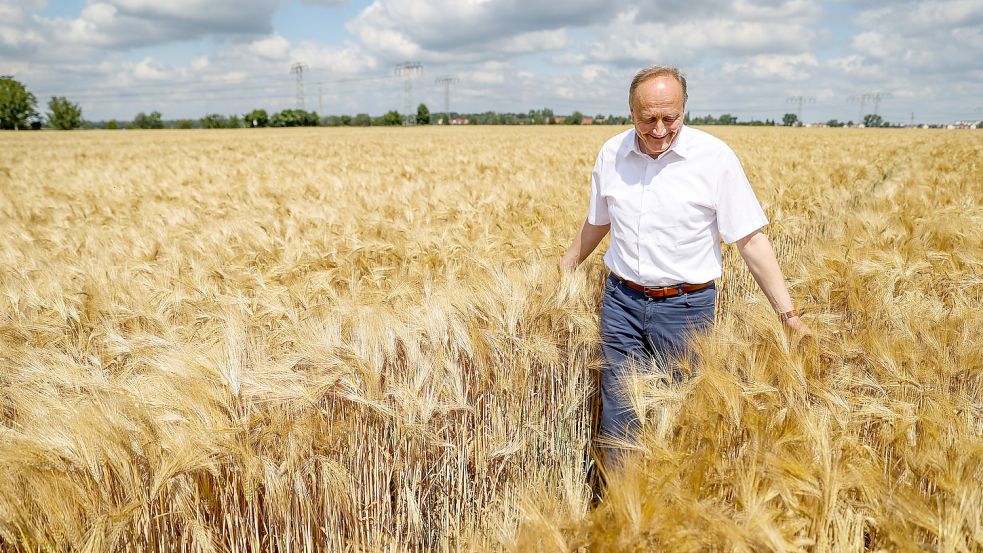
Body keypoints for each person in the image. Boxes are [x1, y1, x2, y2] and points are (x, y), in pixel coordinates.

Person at [560, 65, 810, 461]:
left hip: (686, 311)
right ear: (631, 113)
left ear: (684, 109)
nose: (659, 129)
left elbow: (750, 239)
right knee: (620, 421)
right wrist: (562, 272)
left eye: (669, 118)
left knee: (680, 417)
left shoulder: (714, 158)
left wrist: (788, 314)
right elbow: (597, 222)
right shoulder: (612, 154)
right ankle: (622, 511)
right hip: (621, 304)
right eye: (648, 119)